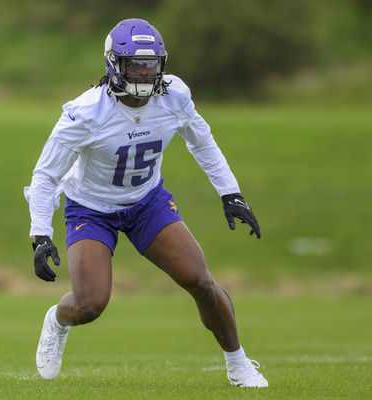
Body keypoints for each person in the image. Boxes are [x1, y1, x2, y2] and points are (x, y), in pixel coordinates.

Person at [24, 18, 268, 388]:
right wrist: (41, 234)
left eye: (150, 64)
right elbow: (45, 175)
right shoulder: (85, 113)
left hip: (147, 201)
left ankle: (238, 364)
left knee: (200, 280)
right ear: (112, 64)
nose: (143, 72)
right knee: (90, 304)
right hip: (91, 208)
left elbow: (202, 142)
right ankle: (57, 321)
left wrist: (230, 192)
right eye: (134, 64)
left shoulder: (174, 96)